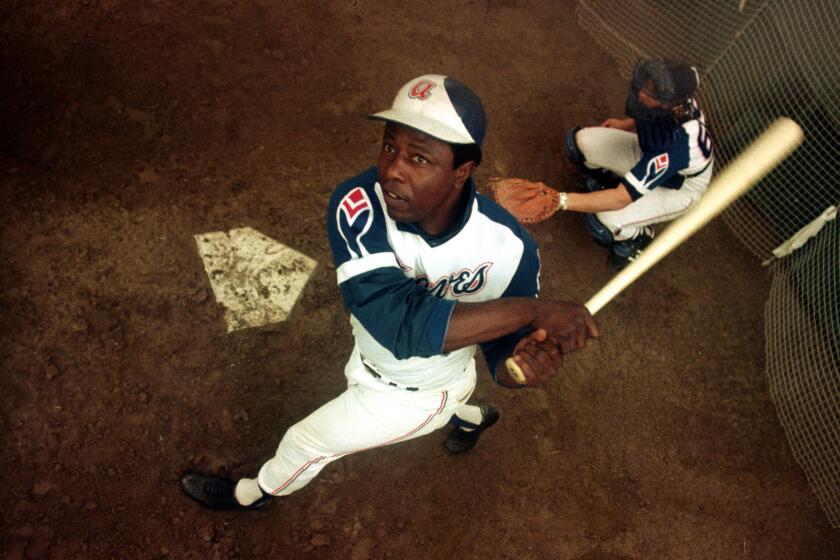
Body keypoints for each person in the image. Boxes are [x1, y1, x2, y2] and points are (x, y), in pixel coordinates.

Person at [180, 74, 598, 511]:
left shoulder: (511, 247)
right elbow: (397, 324)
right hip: (384, 359)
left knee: (306, 440)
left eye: (419, 158)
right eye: (389, 147)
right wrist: (532, 312)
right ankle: (475, 418)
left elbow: (504, 355)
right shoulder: (360, 201)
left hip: (412, 398)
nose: (392, 170)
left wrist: (520, 366)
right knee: (434, 387)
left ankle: (252, 494)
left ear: (462, 172)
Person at [561, 58, 714, 269]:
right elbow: (652, 114)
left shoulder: (678, 142)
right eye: (648, 85)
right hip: (651, 156)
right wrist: (625, 124)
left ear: (673, 103)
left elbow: (619, 199)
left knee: (602, 223)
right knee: (578, 144)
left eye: (653, 93)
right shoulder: (675, 102)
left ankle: (638, 237)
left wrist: (561, 201)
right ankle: (615, 183)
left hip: (678, 189)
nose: (643, 93)